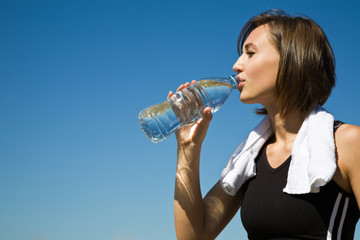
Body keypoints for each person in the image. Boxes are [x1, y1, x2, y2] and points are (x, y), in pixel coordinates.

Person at [168, 9, 360, 240]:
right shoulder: (248, 157)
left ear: (292, 58)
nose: (237, 65)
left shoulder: (347, 143)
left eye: (250, 53)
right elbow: (194, 235)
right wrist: (188, 147)